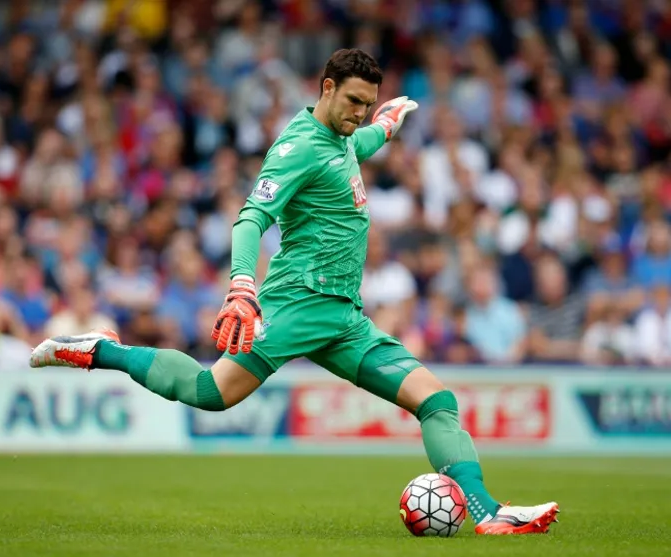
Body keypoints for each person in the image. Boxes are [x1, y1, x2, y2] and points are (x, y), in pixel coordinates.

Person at [30, 49, 558, 535]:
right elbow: (251, 216)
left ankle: (487, 512)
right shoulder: (298, 147)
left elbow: (361, 142)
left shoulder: (343, 137)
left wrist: (387, 123)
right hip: (298, 303)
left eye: (367, 104)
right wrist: (242, 284)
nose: (359, 113)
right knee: (210, 393)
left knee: (437, 401)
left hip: (344, 317)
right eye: (354, 101)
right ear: (327, 88)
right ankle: (103, 350)